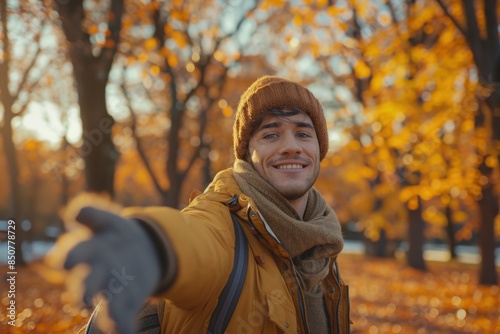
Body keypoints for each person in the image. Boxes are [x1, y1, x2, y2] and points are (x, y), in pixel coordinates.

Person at [65, 76, 350, 334]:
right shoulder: (222, 219)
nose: (291, 146)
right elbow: (197, 240)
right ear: (247, 153)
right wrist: (154, 244)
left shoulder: (320, 238)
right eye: (270, 135)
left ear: (319, 149)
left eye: (303, 133)